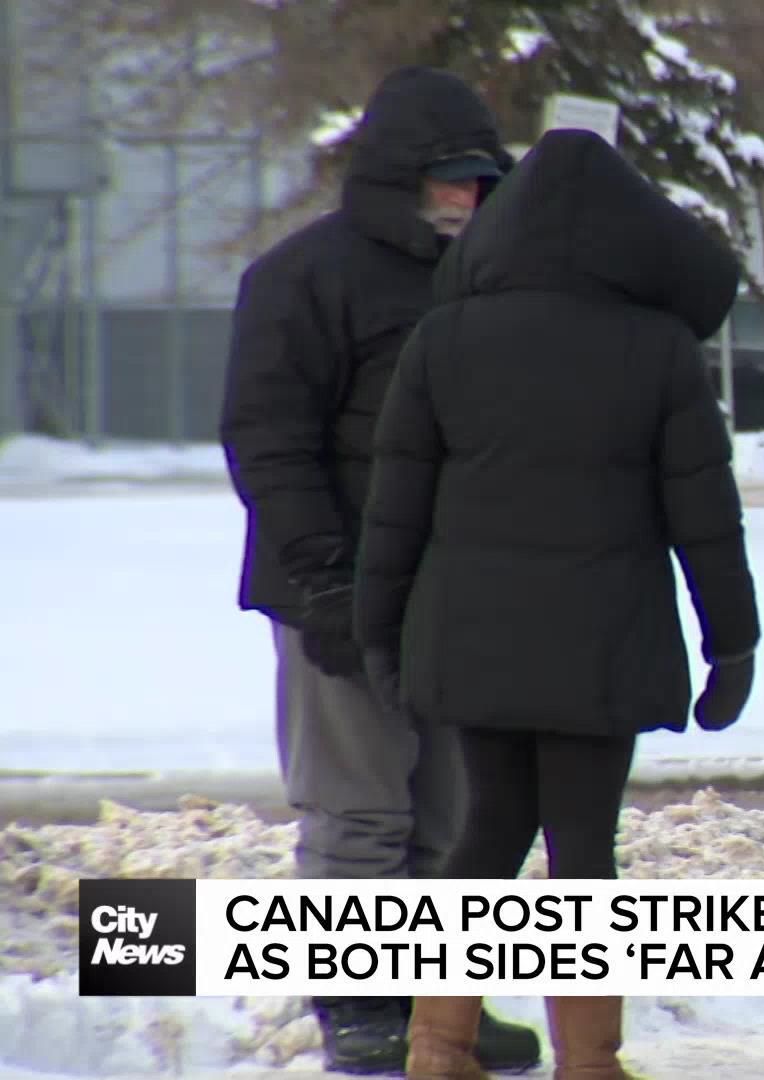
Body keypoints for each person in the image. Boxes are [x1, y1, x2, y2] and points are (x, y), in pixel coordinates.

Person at [352, 128, 759, 1080]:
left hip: (474, 644)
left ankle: (439, 1046)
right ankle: (589, 1061)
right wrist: (731, 642)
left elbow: (395, 505)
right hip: (601, 647)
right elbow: (707, 515)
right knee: (583, 848)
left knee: (486, 829)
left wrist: (380, 633)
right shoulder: (658, 350)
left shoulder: (442, 340)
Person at [219, 66, 540, 1074]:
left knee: (458, 818)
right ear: (401, 176)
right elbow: (269, 440)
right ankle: (360, 1005)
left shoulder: (492, 275)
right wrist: (322, 577)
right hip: (338, 590)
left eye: (486, 181)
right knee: (360, 810)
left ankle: (441, 1005)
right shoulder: (303, 278)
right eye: (453, 180)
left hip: (457, 594)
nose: (470, 199)